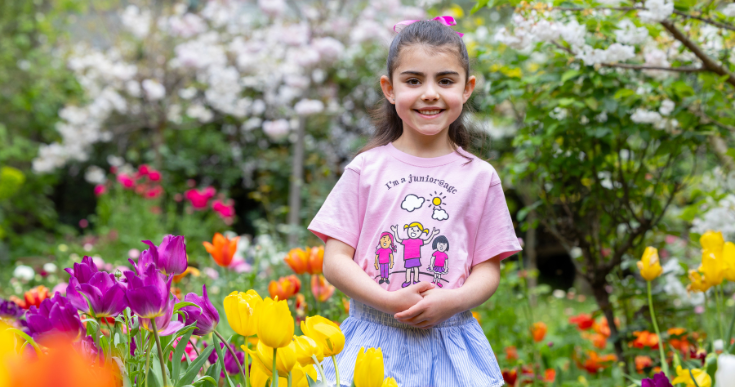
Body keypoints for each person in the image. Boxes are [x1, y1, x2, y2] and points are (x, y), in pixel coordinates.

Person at [308, 17, 522, 387]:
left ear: (467, 88)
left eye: (445, 80)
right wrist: (387, 301)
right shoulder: (365, 169)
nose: (429, 93)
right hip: (371, 340)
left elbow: (488, 269)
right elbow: (335, 260)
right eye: (413, 80)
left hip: (451, 342)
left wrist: (453, 301)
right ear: (389, 89)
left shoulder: (480, 177)